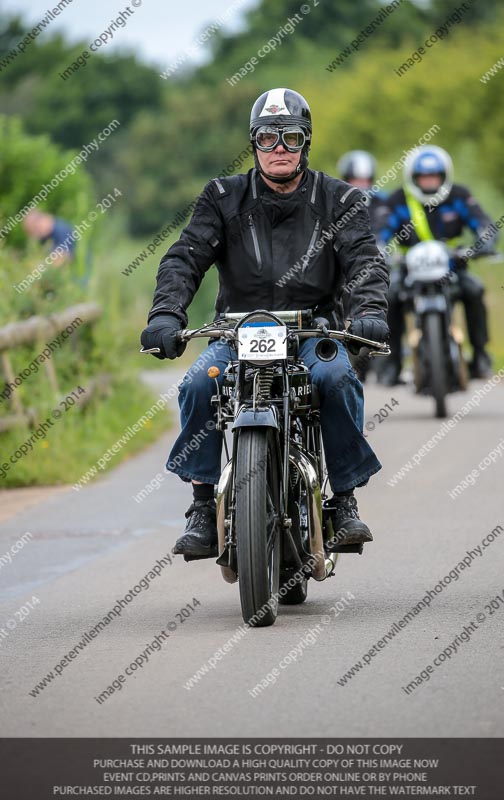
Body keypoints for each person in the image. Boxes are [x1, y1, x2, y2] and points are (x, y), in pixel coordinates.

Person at [141, 88, 389, 560]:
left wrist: (370, 312)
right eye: (268, 137)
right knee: (199, 382)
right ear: (253, 143)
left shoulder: (339, 199)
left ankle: (344, 502)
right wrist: (166, 314)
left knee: (336, 378)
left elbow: (365, 261)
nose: (279, 148)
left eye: (291, 137)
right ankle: (201, 506)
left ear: (306, 143)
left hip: (314, 331)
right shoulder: (221, 196)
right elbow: (184, 259)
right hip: (238, 332)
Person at [378, 145, 498, 386]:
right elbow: (379, 229)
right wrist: (378, 247)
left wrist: (484, 242)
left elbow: (484, 223)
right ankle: (391, 365)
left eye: (434, 176)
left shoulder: (459, 196)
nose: (429, 182)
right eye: (423, 177)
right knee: (389, 296)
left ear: (444, 176)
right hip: (410, 270)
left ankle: (480, 355)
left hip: (453, 268)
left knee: (475, 290)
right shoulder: (398, 200)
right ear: (413, 178)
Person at [337, 150, 390, 382]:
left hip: (386, 268)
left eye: (365, 180)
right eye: (356, 180)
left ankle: (392, 358)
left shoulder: (385, 202)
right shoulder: (337, 202)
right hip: (350, 270)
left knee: (394, 296)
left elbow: (399, 225)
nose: (361, 185)